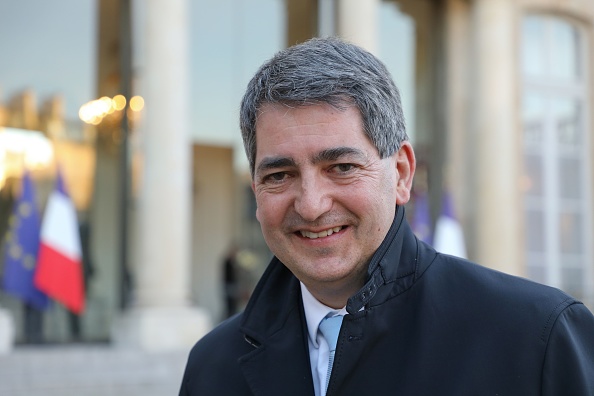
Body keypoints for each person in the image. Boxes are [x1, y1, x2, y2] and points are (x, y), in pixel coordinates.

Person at [179, 37, 594, 395]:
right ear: (256, 192)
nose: (310, 204)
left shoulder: (536, 339)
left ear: (401, 173)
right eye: (280, 175)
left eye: (341, 167)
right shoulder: (212, 368)